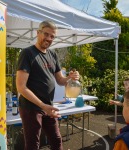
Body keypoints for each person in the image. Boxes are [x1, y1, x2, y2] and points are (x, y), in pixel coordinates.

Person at [16, 20, 79, 150]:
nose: (49, 39)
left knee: (56, 140)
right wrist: (42, 106)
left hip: (48, 106)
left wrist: (70, 78)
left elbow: (60, 80)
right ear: (38, 33)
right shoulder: (27, 53)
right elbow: (21, 87)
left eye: (52, 36)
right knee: (33, 144)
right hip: (31, 108)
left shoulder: (53, 54)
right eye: (46, 34)